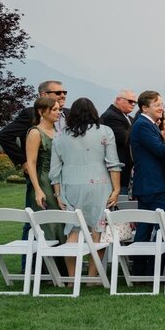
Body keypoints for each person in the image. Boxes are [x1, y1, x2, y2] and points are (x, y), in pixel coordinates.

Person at [49, 98, 121, 278]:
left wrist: (58, 193)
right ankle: (91, 276)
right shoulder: (105, 131)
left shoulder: (59, 136)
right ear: (94, 113)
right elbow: (113, 164)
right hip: (99, 184)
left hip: (70, 185)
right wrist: (117, 189)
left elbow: (54, 170)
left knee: (73, 230)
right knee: (98, 229)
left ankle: (72, 278)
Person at [129, 90, 165, 252]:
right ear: (144, 108)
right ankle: (152, 265)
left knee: (145, 226)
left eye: (162, 104)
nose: (161, 108)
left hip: (150, 184)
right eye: (156, 105)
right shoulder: (143, 125)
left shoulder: (146, 124)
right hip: (154, 184)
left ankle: (142, 267)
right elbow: (158, 149)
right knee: (160, 227)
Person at [23, 95, 64, 244]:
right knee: (50, 223)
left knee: (62, 220)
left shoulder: (58, 132)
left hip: (59, 180)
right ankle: (49, 265)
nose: (58, 112)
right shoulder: (35, 132)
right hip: (44, 180)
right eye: (54, 110)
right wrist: (38, 189)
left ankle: (64, 265)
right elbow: (31, 163)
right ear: (41, 112)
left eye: (59, 109)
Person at [101, 89, 136, 194]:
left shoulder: (127, 117)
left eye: (135, 102)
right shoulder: (111, 116)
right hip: (119, 169)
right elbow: (126, 139)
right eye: (130, 101)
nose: (133, 104)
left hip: (126, 170)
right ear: (118, 100)